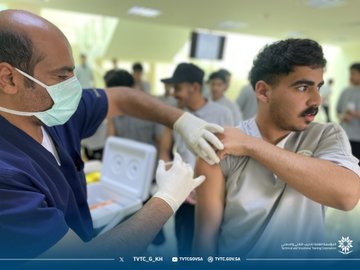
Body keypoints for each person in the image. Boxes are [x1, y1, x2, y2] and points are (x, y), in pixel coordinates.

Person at [0, 9, 225, 258]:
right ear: (8, 78)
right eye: (61, 76)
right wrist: (166, 199)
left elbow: (121, 98)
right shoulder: (6, 174)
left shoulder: (50, 111)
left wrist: (182, 120)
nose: (73, 86)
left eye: (73, 72)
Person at [193, 38, 360, 258]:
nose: (317, 100)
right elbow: (204, 243)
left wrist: (251, 146)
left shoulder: (325, 135)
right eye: (303, 87)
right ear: (263, 92)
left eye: (318, 87)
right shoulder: (221, 148)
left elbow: (347, 196)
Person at [159, 63, 234, 256]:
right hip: (183, 197)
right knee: (183, 245)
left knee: (208, 246)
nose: (174, 93)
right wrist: (172, 179)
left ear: (194, 87)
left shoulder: (221, 113)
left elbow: (230, 156)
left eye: (178, 88)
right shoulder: (175, 114)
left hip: (212, 195)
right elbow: (164, 149)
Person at [337, 63, 360, 163]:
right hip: (345, 136)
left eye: (354, 73)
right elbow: (338, 111)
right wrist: (343, 116)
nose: (350, 76)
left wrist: (355, 114)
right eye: (350, 73)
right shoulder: (345, 91)